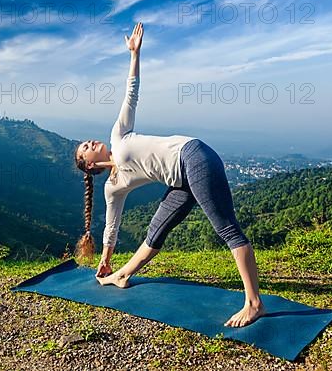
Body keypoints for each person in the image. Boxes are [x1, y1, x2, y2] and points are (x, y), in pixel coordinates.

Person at [73, 22, 266, 328]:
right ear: (90, 166)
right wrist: (106, 260)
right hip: (180, 179)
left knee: (227, 230)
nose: (91, 142)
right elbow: (112, 225)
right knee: (155, 231)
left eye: (88, 142)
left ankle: (254, 303)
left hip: (194, 156)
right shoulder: (114, 187)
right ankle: (122, 274)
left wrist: (134, 54)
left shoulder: (117, 136)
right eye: (86, 148)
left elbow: (131, 94)